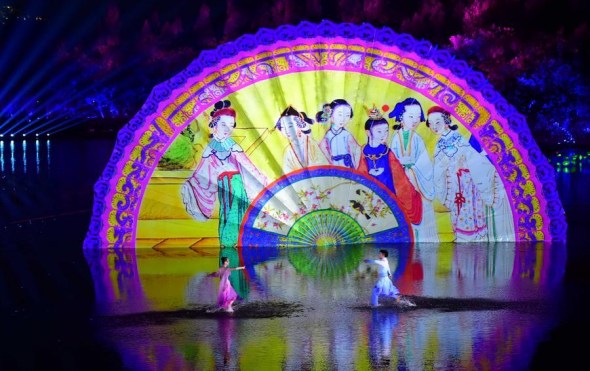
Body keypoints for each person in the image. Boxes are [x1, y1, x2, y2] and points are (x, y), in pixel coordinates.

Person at [182, 100, 267, 298]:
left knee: (240, 213)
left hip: (237, 184)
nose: (228, 129)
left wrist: (261, 180)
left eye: (231, 125)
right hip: (224, 186)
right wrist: (193, 183)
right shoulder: (210, 148)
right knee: (227, 214)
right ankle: (229, 250)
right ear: (214, 124)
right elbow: (203, 172)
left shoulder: (233, 146)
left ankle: (239, 251)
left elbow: (247, 166)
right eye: (223, 124)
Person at [426, 106, 494, 242]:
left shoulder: (458, 138)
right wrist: (445, 165)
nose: (434, 126)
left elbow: (470, 155)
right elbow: (439, 166)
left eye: (438, 122)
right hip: (453, 182)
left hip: (467, 180)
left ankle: (473, 234)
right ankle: (461, 234)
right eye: (431, 123)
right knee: (458, 207)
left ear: (446, 121)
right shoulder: (439, 144)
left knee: (469, 206)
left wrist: (460, 162)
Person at [357, 106, 423, 226]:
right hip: (371, 194)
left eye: (386, 131)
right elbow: (360, 175)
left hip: (389, 193)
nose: (384, 135)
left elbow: (400, 177)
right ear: (368, 132)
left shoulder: (388, 152)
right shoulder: (362, 152)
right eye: (379, 131)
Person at [388, 98, 439, 242]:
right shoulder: (395, 138)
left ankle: (423, 239)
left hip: (417, 182)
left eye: (418, 116)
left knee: (421, 212)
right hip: (401, 181)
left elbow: (425, 165)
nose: (415, 120)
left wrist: (412, 170)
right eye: (411, 116)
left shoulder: (418, 139)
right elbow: (392, 160)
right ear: (400, 117)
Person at [276, 105, 329, 173]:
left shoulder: (310, 142)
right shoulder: (288, 151)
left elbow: (323, 162)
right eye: (283, 127)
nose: (287, 130)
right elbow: (288, 172)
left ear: (299, 125)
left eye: (290, 126)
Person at [316, 99, 362, 169]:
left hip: (346, 165)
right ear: (331, 115)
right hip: (332, 166)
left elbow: (357, 149)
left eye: (347, 115)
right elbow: (322, 150)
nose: (343, 119)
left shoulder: (346, 134)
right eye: (340, 114)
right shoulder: (328, 135)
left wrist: (355, 166)